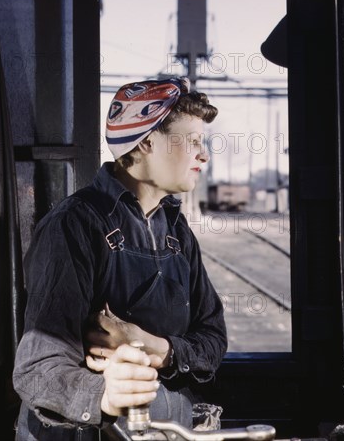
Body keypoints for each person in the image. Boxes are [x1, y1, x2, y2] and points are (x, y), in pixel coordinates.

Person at [13, 76, 227, 440]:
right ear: (146, 143)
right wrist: (104, 395)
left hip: (164, 429)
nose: (203, 154)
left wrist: (157, 347)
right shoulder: (75, 225)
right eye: (192, 141)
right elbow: (36, 368)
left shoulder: (176, 231)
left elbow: (212, 340)